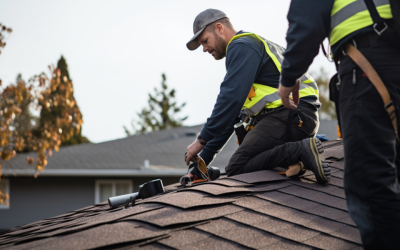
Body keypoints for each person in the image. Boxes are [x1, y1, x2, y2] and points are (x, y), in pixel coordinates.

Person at [277, 0, 400, 249]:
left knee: (370, 179)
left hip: (368, 62)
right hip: (389, 55)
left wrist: (289, 76)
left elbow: (307, 19)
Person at [181, 9, 330, 187]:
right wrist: (201, 162)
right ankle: (299, 155)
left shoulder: (242, 46)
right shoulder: (251, 48)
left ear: (219, 28)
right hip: (296, 117)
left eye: (205, 41)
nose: (204, 49)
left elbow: (230, 100)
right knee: (250, 161)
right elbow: (232, 117)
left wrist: (200, 140)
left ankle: (300, 151)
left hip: (290, 116)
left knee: (237, 166)